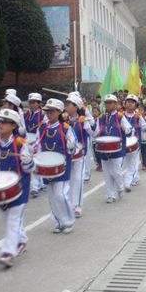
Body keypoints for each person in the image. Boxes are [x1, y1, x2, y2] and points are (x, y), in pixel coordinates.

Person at [0, 109, 34, 267]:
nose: (0, 125)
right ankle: (21, 240)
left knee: (13, 220)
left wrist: (28, 161)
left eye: (5, 122)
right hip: (1, 189)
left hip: (19, 189)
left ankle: (8, 252)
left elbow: (30, 168)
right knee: (7, 218)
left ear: (13, 126)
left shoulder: (21, 144)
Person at [35, 98, 77, 233]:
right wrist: (34, 156)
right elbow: (37, 145)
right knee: (52, 196)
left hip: (61, 167)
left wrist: (71, 146)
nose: (49, 114)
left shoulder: (66, 128)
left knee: (60, 194)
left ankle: (68, 221)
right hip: (46, 167)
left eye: (52, 111)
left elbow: (74, 147)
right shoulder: (42, 128)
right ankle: (59, 222)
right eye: (47, 111)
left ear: (59, 112)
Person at [94, 95, 132, 203]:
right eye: (106, 103)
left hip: (117, 149)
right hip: (103, 149)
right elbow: (95, 132)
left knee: (116, 171)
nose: (108, 105)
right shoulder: (101, 118)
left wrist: (128, 130)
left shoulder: (120, 117)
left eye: (110, 102)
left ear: (115, 104)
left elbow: (128, 128)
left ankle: (120, 187)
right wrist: (91, 125)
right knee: (107, 173)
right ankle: (110, 195)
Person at [65, 93, 94, 218]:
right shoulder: (64, 120)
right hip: (67, 154)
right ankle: (71, 203)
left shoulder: (83, 119)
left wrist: (89, 122)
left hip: (79, 154)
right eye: (66, 104)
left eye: (69, 104)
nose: (66, 106)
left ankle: (77, 205)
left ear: (76, 106)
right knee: (69, 180)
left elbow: (93, 132)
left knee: (78, 178)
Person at [123, 95, 146, 191]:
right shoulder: (121, 115)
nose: (130, 104)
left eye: (132, 102)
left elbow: (145, 127)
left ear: (135, 105)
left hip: (135, 143)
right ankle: (135, 177)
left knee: (134, 162)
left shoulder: (138, 116)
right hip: (124, 143)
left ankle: (131, 180)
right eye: (128, 102)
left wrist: (143, 123)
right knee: (126, 162)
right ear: (125, 104)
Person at [25, 92, 47, 197]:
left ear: (39, 103)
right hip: (27, 141)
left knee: (38, 163)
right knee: (30, 163)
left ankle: (36, 186)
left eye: (34, 102)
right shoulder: (26, 114)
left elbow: (44, 128)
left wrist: (37, 141)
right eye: (30, 102)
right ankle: (36, 185)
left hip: (38, 140)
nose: (32, 105)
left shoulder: (43, 115)